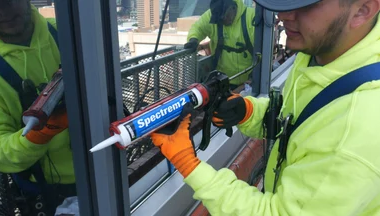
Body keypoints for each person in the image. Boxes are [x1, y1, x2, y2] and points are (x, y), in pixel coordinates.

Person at [151, 0, 380, 215]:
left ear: (362, 10)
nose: (282, 15)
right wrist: (250, 112)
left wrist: (190, 166)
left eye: (305, 5)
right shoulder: (323, 53)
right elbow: (300, 117)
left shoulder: (353, 134)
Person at [0, 1, 74, 215]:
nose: (3, 12)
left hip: (105, 165)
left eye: (8, 1)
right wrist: (40, 135)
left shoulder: (66, 29)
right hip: (50, 194)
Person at [184, 0, 256, 87]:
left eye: (225, 17)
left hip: (248, 83)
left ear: (233, 8)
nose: (223, 21)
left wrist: (254, 78)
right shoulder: (213, 14)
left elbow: (264, 49)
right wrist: (193, 39)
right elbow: (198, 28)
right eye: (219, 19)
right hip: (221, 81)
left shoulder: (252, 17)